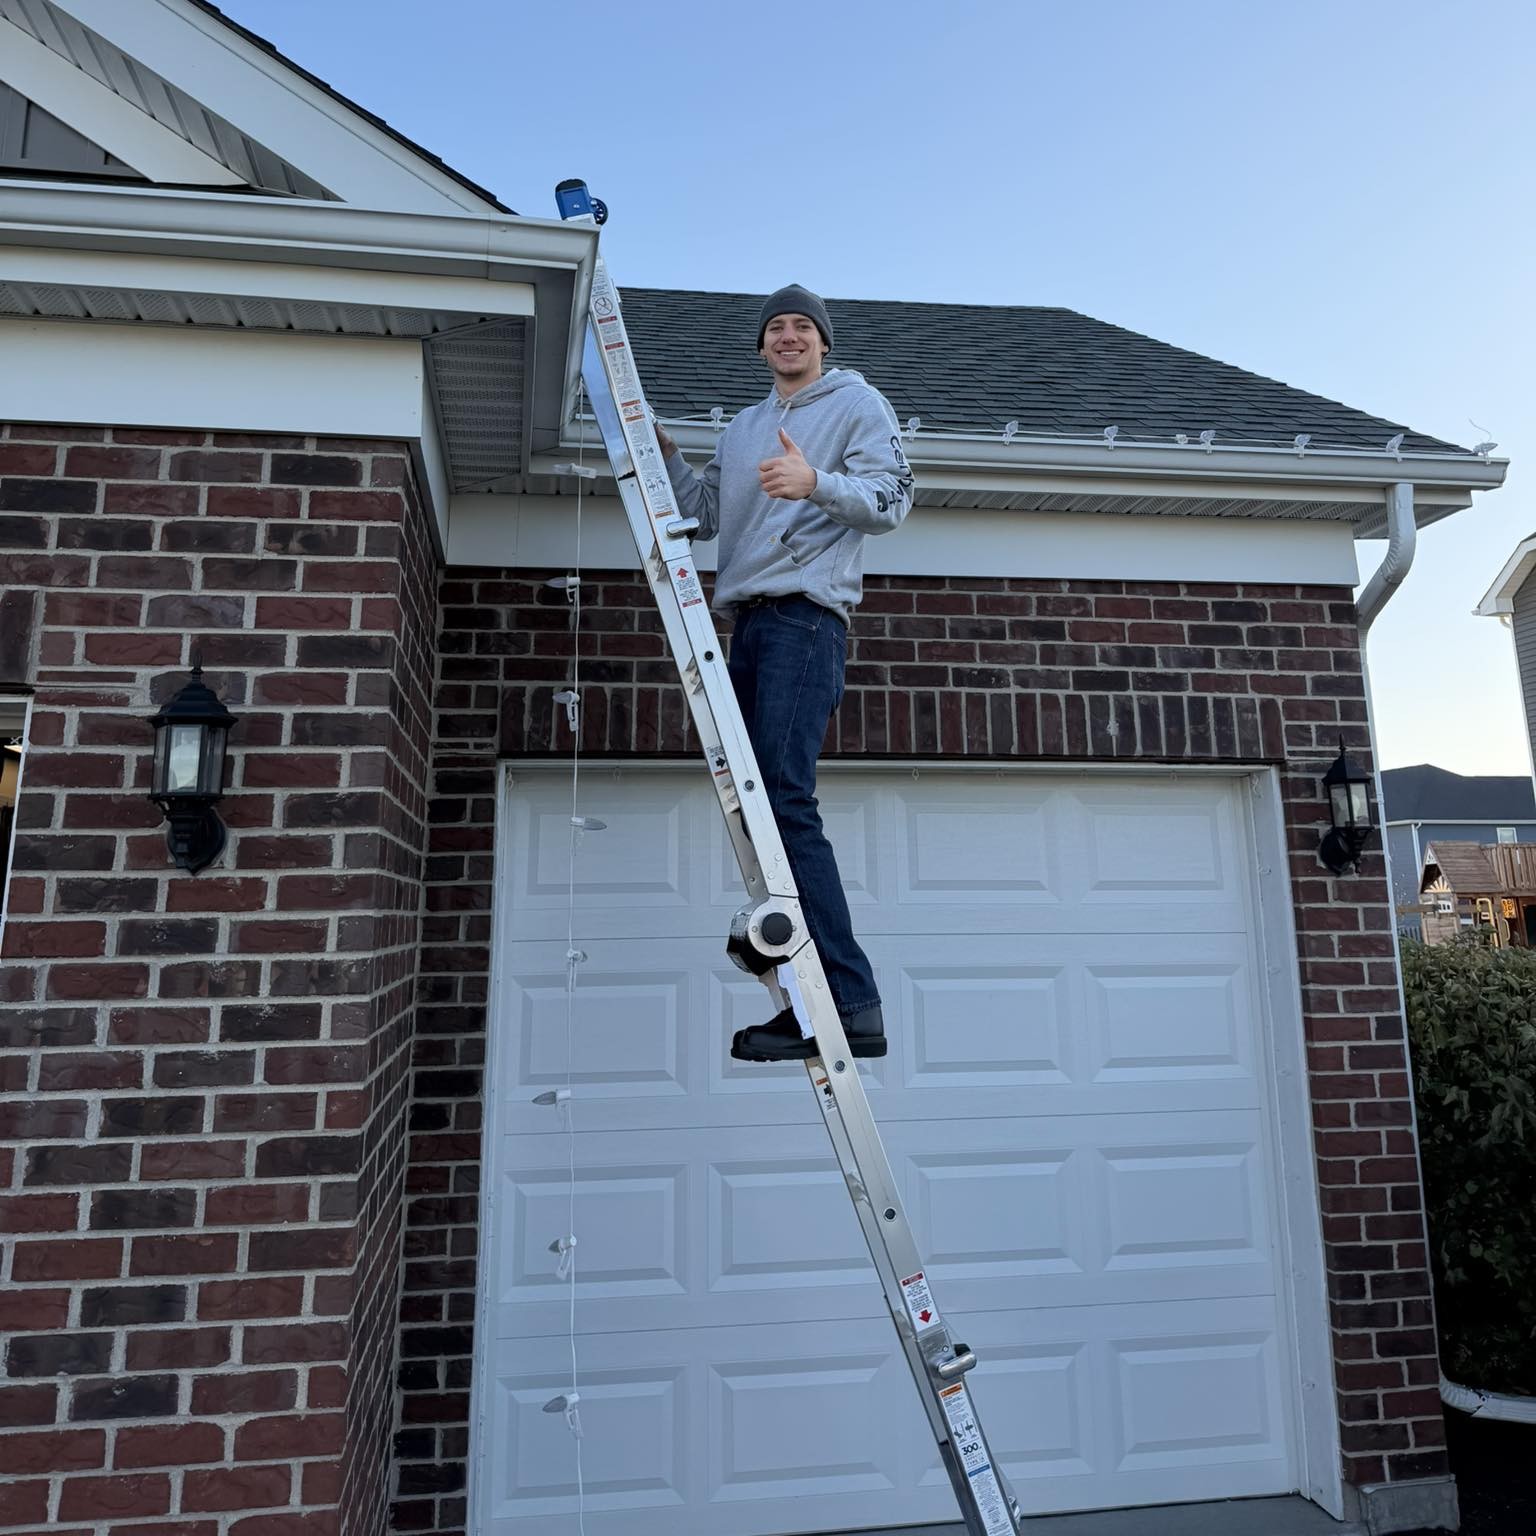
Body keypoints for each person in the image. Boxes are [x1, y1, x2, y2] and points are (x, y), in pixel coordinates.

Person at [655, 284, 914, 1062]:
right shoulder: (741, 429)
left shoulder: (858, 406)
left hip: (806, 617)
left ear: (824, 343)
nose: (790, 336)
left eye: (804, 326)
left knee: (785, 802)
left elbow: (894, 498)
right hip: (748, 623)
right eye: (777, 328)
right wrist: (662, 455)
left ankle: (852, 999)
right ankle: (809, 1001)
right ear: (762, 347)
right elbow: (704, 511)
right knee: (758, 809)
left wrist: (817, 484)